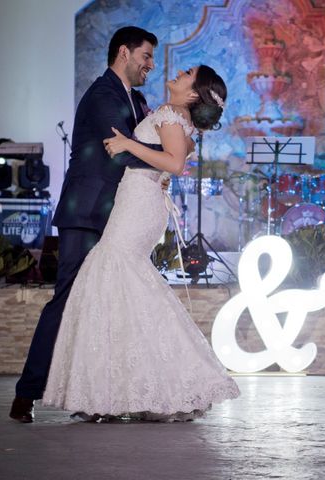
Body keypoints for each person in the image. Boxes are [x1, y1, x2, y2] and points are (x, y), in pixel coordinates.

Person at [41, 65, 239, 421]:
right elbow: (174, 156)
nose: (179, 72)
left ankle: (152, 384)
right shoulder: (178, 119)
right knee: (122, 286)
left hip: (138, 205)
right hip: (140, 201)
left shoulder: (170, 114)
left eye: (188, 73)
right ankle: (121, 391)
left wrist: (128, 143)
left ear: (193, 94)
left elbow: (175, 163)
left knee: (114, 274)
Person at [10, 26, 163, 423]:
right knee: (67, 302)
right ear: (124, 53)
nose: (151, 65)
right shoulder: (102, 95)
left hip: (117, 217)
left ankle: (95, 396)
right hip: (87, 214)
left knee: (103, 307)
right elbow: (123, 151)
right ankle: (26, 394)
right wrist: (172, 155)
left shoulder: (138, 98)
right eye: (146, 56)